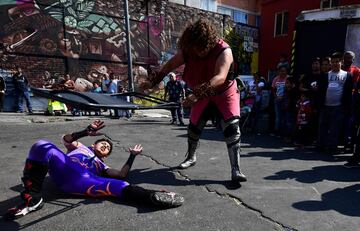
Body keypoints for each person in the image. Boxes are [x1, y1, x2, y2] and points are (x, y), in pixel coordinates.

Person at [4, 120, 184, 220]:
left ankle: (151, 197)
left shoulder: (101, 164)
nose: (105, 146)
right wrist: (84, 131)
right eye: (103, 143)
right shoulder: (79, 147)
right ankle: (33, 199)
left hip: (83, 180)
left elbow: (121, 174)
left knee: (119, 184)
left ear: (105, 155)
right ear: (94, 143)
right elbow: (66, 139)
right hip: (64, 169)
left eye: (107, 148)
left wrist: (132, 156)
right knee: (41, 145)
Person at [141, 18, 246, 182]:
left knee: (232, 128)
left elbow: (219, 77)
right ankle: (191, 157)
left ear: (209, 41)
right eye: (196, 48)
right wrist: (151, 82)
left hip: (224, 93)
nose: (199, 52)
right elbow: (167, 67)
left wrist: (196, 94)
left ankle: (236, 169)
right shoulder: (189, 50)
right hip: (201, 94)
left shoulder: (224, 50)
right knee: (194, 128)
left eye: (202, 48)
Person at [317, 52, 353, 153]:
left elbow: (349, 93)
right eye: (332, 62)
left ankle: (332, 146)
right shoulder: (326, 75)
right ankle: (321, 145)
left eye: (337, 62)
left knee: (335, 128)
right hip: (325, 105)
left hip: (339, 106)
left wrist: (347, 107)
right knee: (322, 126)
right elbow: (321, 91)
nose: (335, 64)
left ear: (341, 62)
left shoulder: (347, 75)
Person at [271, 65, 289, 135]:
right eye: (281, 71)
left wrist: (283, 97)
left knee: (285, 117)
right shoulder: (276, 79)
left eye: (284, 71)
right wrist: (276, 97)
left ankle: (284, 132)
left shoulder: (288, 78)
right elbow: (273, 90)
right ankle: (277, 131)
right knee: (278, 117)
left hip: (286, 100)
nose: (282, 72)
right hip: (277, 100)